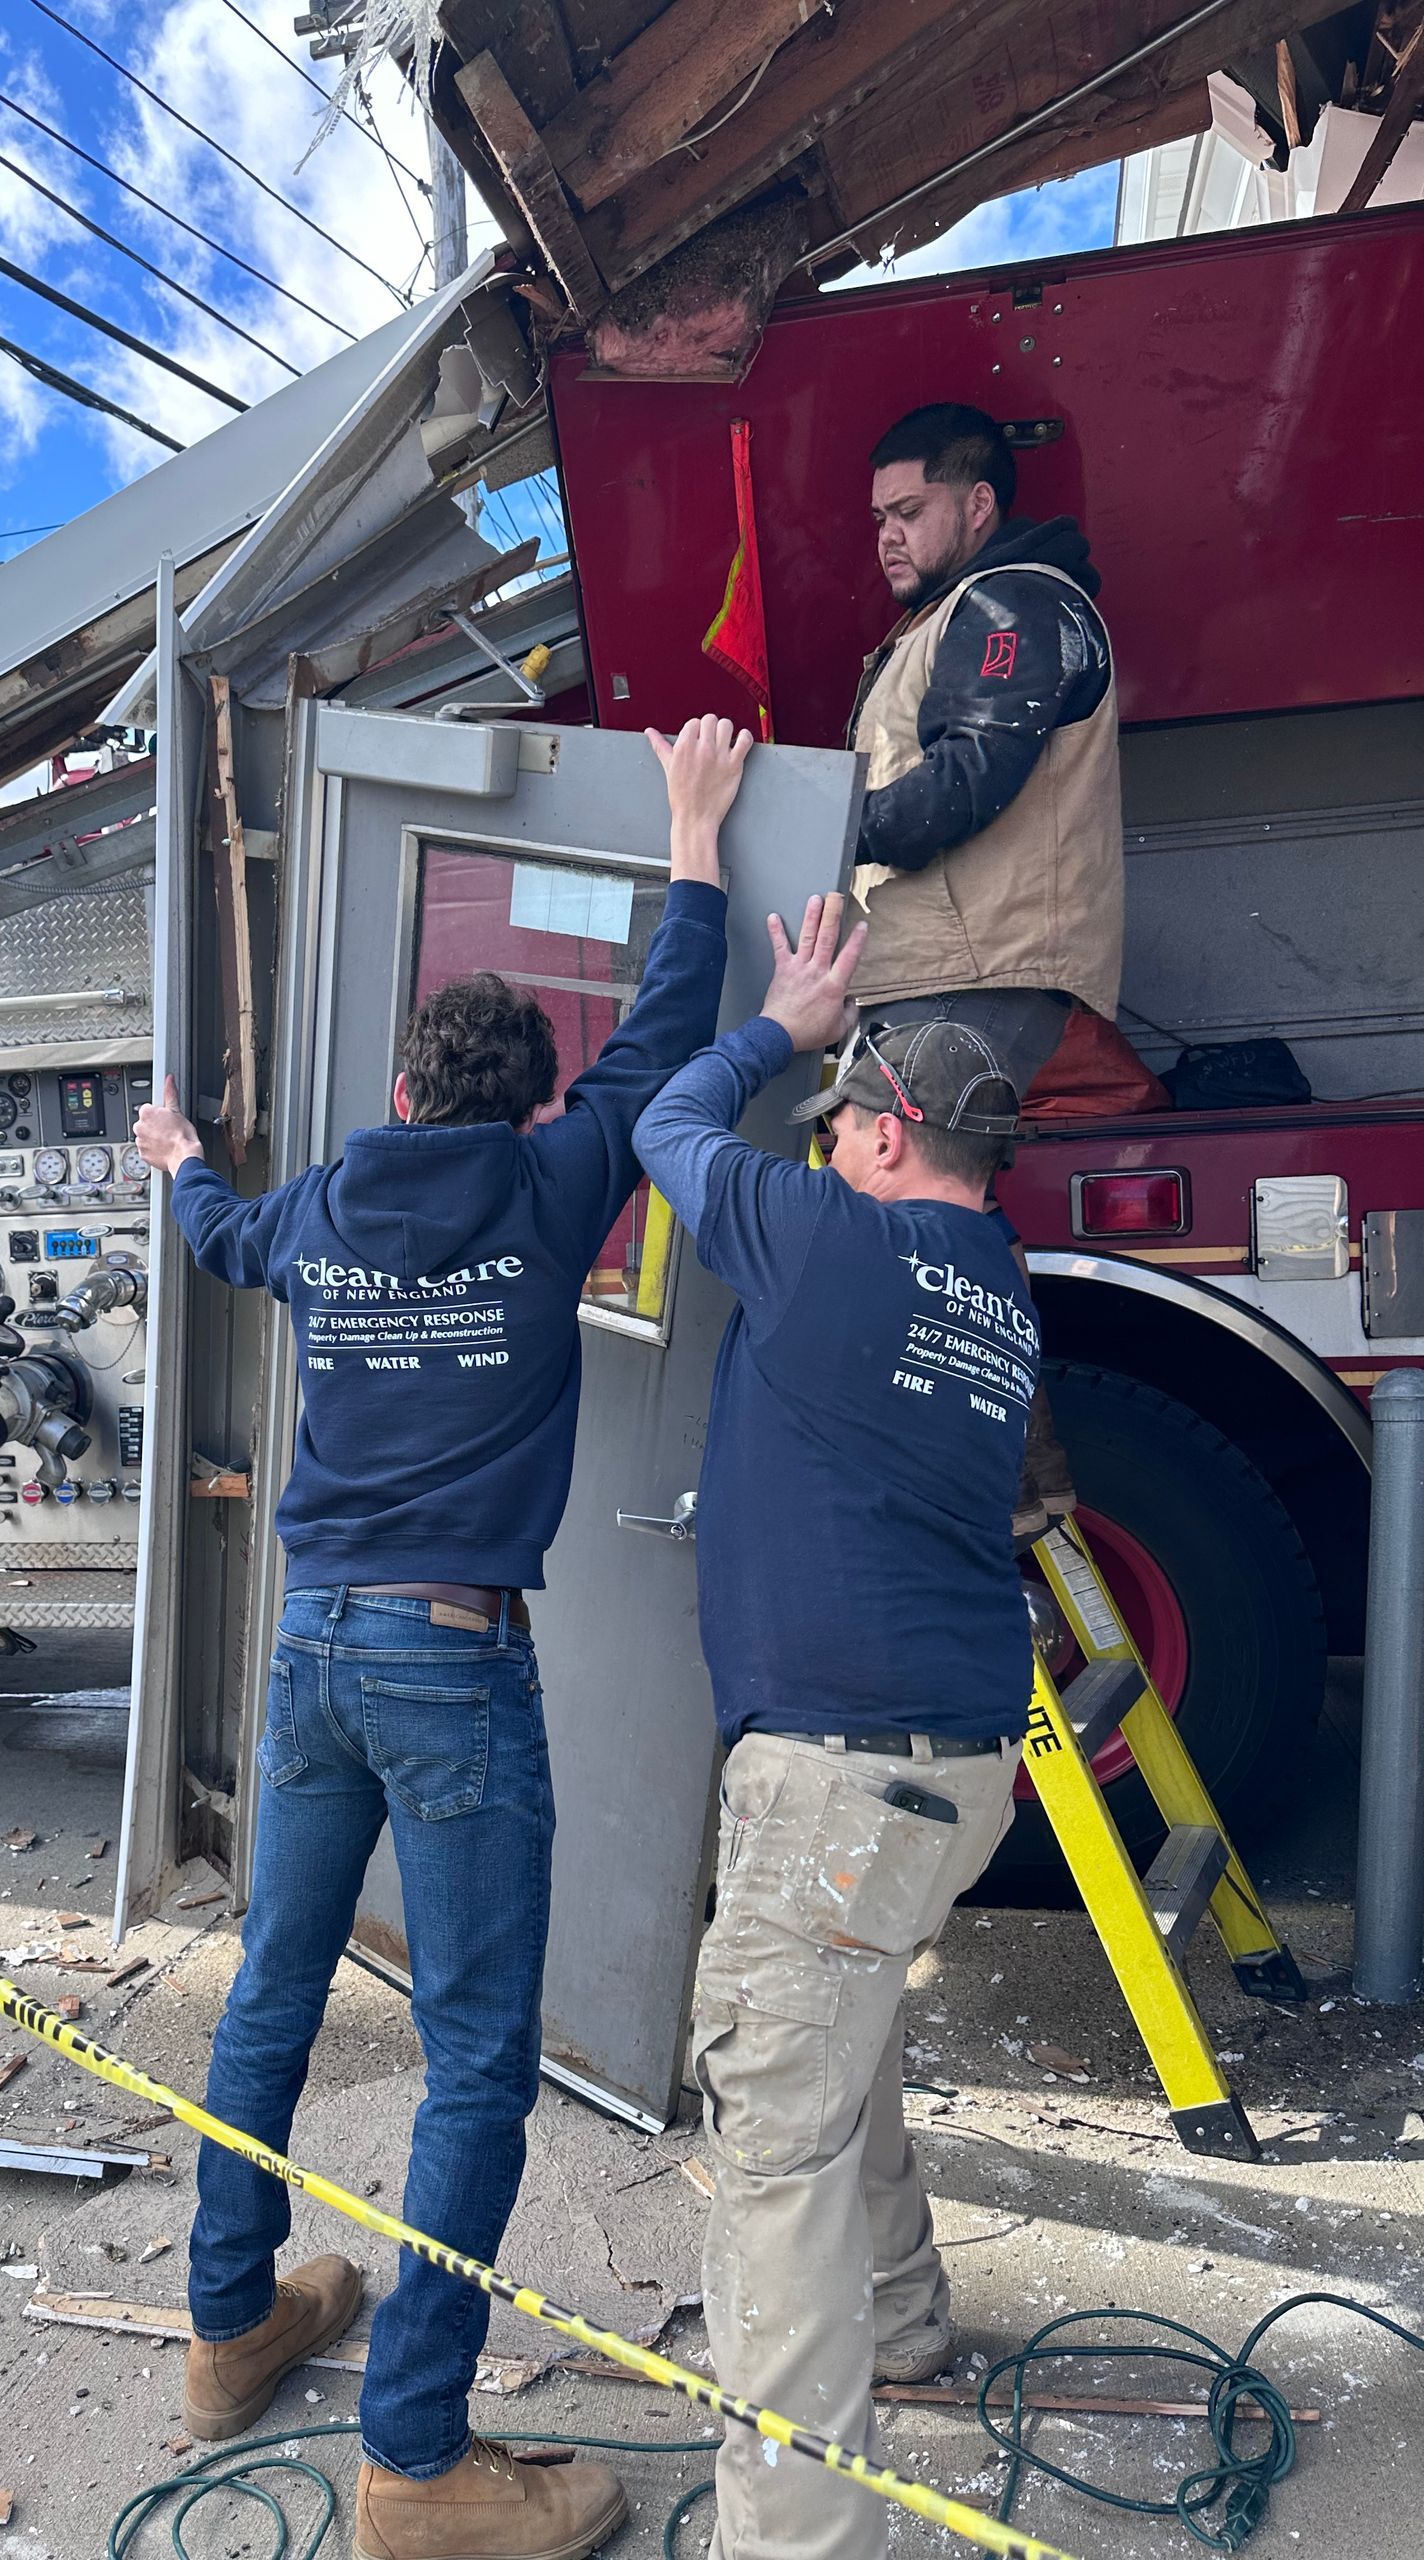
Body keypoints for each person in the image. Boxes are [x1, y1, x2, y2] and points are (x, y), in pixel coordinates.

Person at [128, 718, 748, 2560]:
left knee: (273, 1990)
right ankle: (414, 2459)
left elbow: (222, 1235)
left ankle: (227, 2326)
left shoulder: (325, 1206)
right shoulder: (553, 1187)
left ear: (404, 1092)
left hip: (310, 1652)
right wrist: (694, 840)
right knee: (476, 2054)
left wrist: (177, 1154)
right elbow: (666, 1032)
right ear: (528, 1111)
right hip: (450, 1662)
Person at [633, 925, 1038, 2560]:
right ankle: (909, 2319)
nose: (822, 1148)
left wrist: (777, 1025)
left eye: (838, 1123)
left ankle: (796, 2539)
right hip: (956, 1766)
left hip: (840, 1772)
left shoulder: (825, 1237)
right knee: (839, 2029)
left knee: (777, 2149)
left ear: (878, 1136)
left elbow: (666, 1125)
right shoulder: (998, 1288)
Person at [847, 400, 1121, 1532]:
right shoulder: (953, 615)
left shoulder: (1011, 601)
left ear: (978, 504)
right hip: (942, 966)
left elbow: (969, 781)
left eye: (909, 510)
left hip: (979, 964)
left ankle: (987, 1502)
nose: (887, 534)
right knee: (938, 1215)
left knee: (889, 1202)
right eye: (878, 517)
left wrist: (828, 827)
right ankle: (1023, 1492)